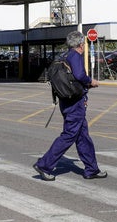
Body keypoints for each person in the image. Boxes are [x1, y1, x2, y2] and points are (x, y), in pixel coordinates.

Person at [34, 31, 107, 181]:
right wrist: (91, 81)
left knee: (82, 136)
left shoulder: (64, 55)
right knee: (69, 135)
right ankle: (44, 165)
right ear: (81, 44)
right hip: (75, 103)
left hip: (67, 100)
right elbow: (80, 76)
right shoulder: (75, 55)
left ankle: (91, 169)